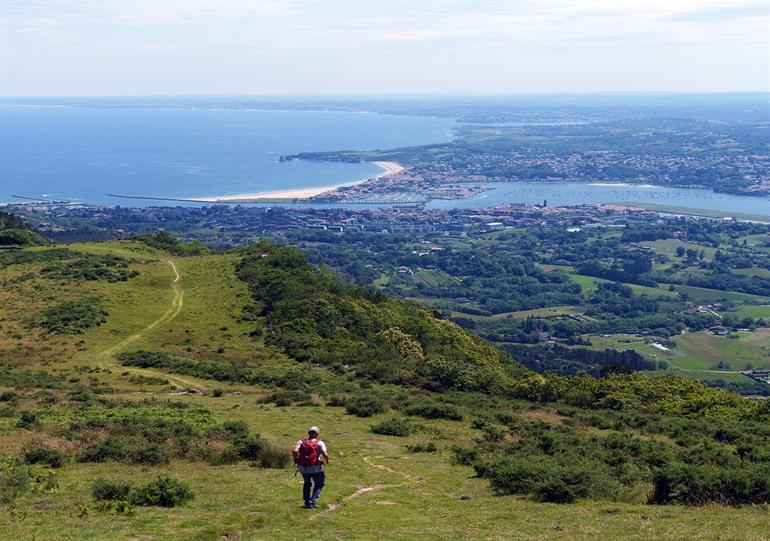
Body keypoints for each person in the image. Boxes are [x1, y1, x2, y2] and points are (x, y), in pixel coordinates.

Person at [293, 426, 329, 509]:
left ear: (308, 433)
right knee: (320, 483)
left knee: (307, 483)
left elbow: (295, 451)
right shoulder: (319, 443)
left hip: (303, 468)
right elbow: (325, 454)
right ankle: (312, 501)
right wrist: (326, 461)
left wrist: (295, 459)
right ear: (317, 434)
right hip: (315, 468)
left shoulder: (301, 442)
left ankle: (306, 502)